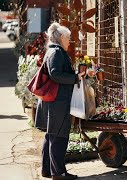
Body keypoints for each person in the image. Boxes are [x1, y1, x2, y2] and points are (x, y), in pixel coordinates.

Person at [35, 22, 85, 180]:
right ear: (61, 37)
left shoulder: (53, 51)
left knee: (51, 136)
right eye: (68, 38)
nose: (69, 41)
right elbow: (55, 74)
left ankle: (47, 170)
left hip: (54, 101)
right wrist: (75, 77)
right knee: (59, 137)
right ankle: (59, 173)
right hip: (58, 102)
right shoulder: (56, 52)